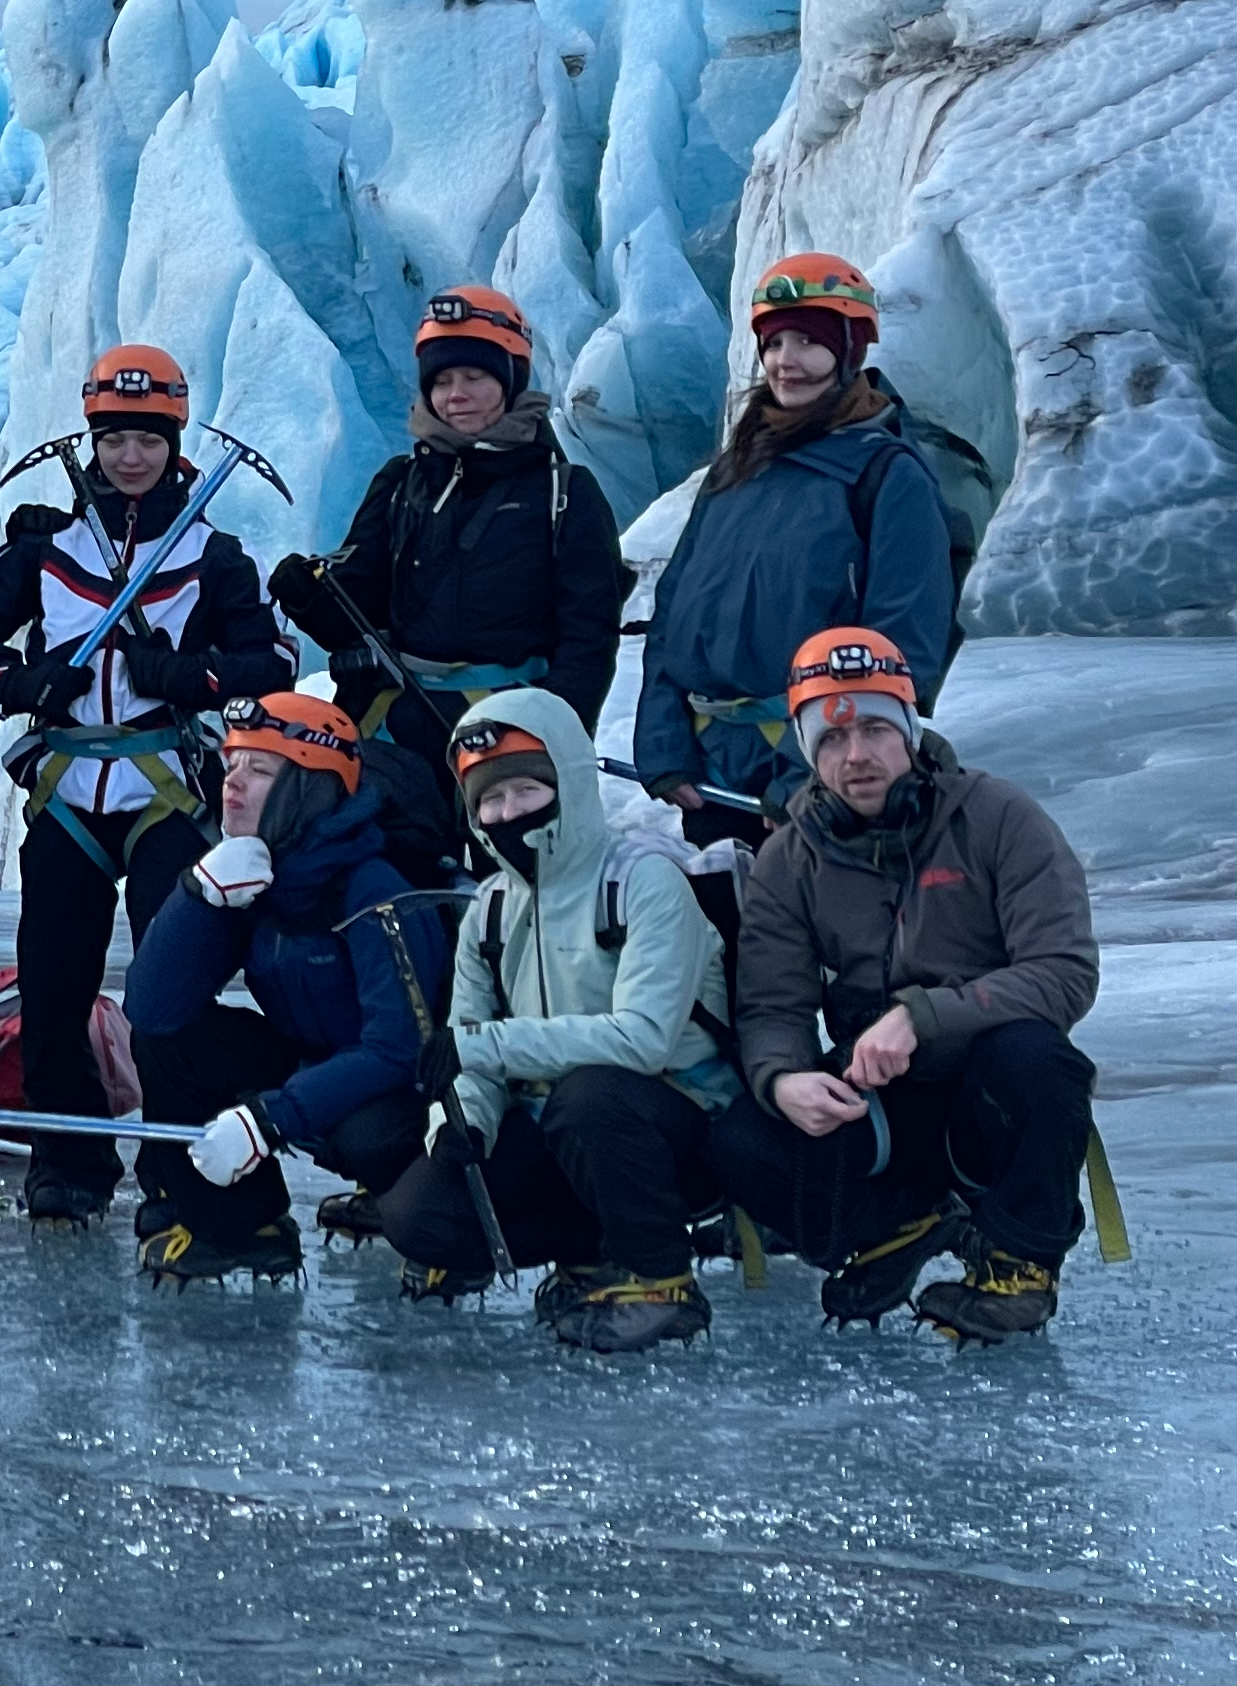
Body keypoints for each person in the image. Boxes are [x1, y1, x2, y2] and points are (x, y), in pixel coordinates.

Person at [0, 343, 294, 1224]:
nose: (131, 457)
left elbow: (273, 659)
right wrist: (20, 683)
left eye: (149, 439)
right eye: (114, 439)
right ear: (91, 442)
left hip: (167, 791)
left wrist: (188, 674)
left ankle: (177, 1169)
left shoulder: (214, 553)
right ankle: (71, 1164)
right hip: (69, 796)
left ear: (174, 443)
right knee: (54, 987)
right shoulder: (46, 550)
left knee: (169, 996)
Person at [707, 627, 1100, 1340]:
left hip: (987, 1087)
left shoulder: (998, 817)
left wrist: (920, 1015)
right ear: (805, 750)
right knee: (741, 1135)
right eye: (829, 738)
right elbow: (772, 1006)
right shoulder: (790, 859)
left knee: (1042, 1063)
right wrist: (782, 1079)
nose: (855, 755)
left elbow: (1064, 972)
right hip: (884, 1099)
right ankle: (900, 1225)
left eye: (876, 730)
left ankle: (1018, 1264)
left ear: (911, 730)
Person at [375, 688, 738, 1352]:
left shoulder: (644, 880)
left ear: (566, 781)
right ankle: (591, 1252)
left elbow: (643, 1039)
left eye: (523, 790)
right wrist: (466, 1124)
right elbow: (469, 1045)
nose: (507, 813)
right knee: (417, 1215)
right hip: (563, 1130)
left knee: (590, 1095)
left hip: (675, 1126)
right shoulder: (488, 908)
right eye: (489, 800)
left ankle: (662, 1277)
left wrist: (482, 1049)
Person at [632, 253, 956, 848]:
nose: (786, 362)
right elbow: (676, 613)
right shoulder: (738, 467)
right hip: (714, 771)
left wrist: (812, 766)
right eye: (775, 343)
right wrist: (664, 745)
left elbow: (903, 639)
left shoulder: (886, 476)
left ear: (851, 350)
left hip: (823, 775)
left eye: (809, 341)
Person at [120, 694, 441, 1287]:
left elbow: (401, 1049)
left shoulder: (376, 892)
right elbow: (151, 1009)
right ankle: (245, 1227)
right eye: (231, 764)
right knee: (170, 1042)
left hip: (407, 1088)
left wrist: (269, 1119)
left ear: (310, 788)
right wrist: (198, 896)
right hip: (313, 1059)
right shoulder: (252, 875)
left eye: (259, 770)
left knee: (366, 1137)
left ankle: (438, 1224)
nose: (231, 784)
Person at [269, 287, 627, 782]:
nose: (455, 394)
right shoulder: (398, 485)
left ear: (510, 380)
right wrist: (311, 596)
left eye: (475, 376)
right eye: (442, 380)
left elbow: (589, 634)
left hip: (510, 730)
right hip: (397, 729)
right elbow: (357, 617)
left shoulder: (563, 495)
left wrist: (554, 734)